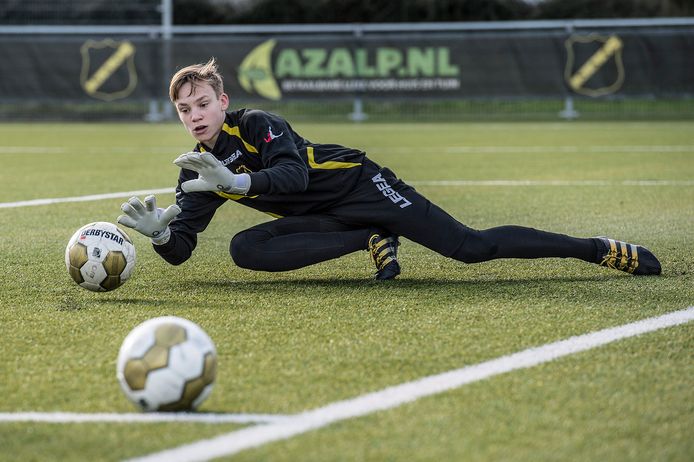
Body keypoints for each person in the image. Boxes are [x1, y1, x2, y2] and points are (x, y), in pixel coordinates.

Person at [116, 58, 661, 280]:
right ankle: (368, 240)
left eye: (202, 104)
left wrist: (234, 183)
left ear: (222, 100)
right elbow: (182, 251)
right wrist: (161, 232)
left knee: (470, 248)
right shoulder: (195, 170)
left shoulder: (259, 122)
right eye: (184, 109)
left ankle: (596, 248)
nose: (194, 116)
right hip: (329, 219)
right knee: (245, 251)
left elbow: (293, 179)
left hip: (360, 185)